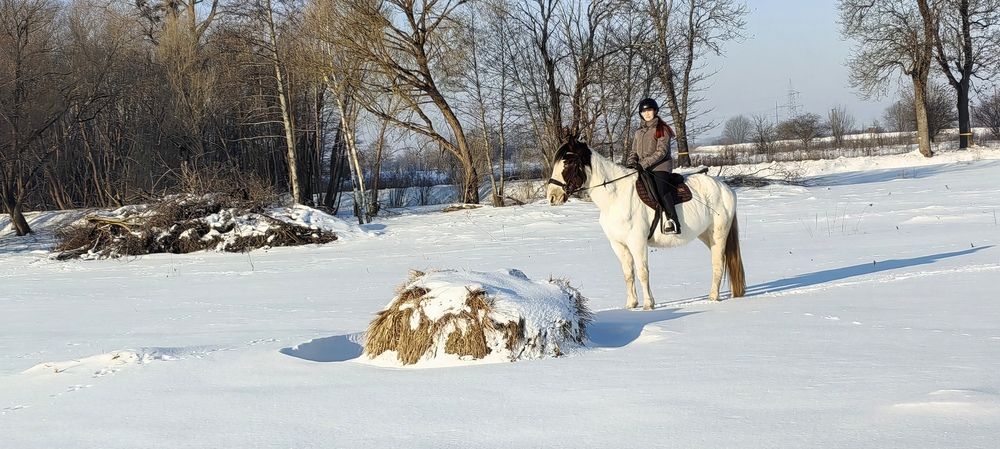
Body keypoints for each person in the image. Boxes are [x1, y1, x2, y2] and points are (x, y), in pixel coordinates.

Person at [626, 98, 680, 234]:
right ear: (640, 114)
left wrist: (643, 164)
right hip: (643, 167)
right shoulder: (638, 132)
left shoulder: (662, 129)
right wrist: (632, 163)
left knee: (661, 190)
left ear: (655, 111)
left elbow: (661, 152)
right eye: (644, 111)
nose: (647, 113)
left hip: (660, 167)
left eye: (649, 110)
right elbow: (633, 151)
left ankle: (672, 221)